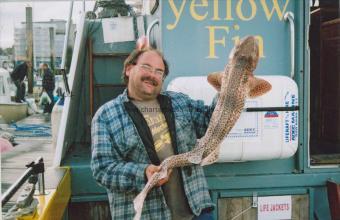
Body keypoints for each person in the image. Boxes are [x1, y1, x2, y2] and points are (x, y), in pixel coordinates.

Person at [91, 47, 216, 220]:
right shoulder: (106, 116)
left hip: (196, 210)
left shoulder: (178, 102)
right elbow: (102, 169)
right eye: (146, 67)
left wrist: (230, 88)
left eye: (159, 72)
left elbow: (210, 122)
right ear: (128, 69)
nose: (152, 75)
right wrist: (142, 173)